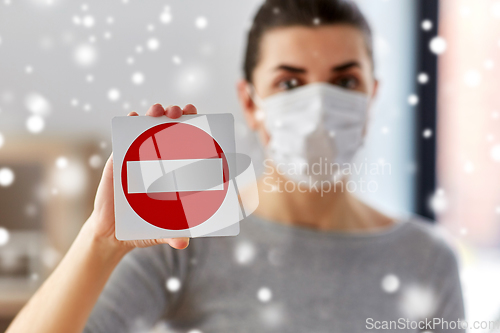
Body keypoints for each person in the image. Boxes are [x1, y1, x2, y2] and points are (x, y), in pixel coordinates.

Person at [7, 0, 465, 332]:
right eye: (289, 82)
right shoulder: (185, 237)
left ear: (372, 95)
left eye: (345, 80)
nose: (320, 106)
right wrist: (100, 244)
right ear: (250, 102)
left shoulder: (428, 261)